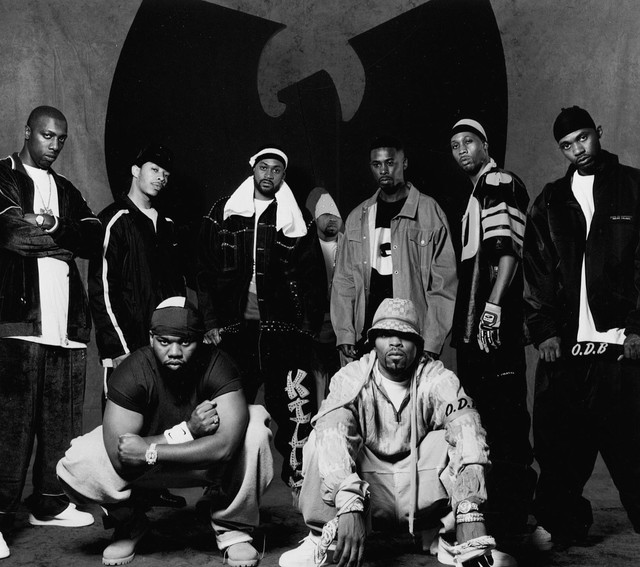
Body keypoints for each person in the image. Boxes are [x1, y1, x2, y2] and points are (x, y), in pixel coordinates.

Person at [279, 298, 518, 567]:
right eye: (385, 334)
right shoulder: (351, 377)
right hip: (369, 494)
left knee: (462, 432)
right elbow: (333, 431)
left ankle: (450, 536)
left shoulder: (437, 377)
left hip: (420, 493)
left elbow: (468, 428)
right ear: (373, 341)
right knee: (321, 436)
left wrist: (469, 509)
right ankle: (328, 538)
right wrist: (348, 503)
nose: (395, 342)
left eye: (404, 335)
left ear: (418, 343)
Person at [57, 297, 273, 566]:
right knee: (78, 458)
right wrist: (187, 431)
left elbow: (226, 447)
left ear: (200, 340)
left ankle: (231, 525)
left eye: (185, 342)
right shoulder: (132, 371)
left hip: (204, 465)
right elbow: (119, 456)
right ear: (151, 338)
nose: (174, 352)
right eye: (164, 341)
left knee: (255, 427)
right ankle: (130, 523)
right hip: (149, 470)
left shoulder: (219, 365)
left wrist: (151, 450)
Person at [523, 106, 640, 545]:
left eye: (583, 138)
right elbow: (537, 268)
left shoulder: (633, 187)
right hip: (569, 346)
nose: (578, 149)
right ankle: (560, 524)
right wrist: (544, 330)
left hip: (619, 344)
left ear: (599, 132)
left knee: (632, 445)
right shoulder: (551, 199)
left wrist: (638, 327)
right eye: (567, 145)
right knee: (559, 446)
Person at [0, 105, 101, 559]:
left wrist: (51, 225)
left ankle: (49, 503)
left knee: (61, 423)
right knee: (10, 429)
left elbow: (93, 236)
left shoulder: (65, 188)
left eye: (61, 138)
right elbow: (11, 233)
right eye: (46, 135)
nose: (54, 145)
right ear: (27, 132)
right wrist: (65, 243)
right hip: (21, 322)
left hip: (68, 325)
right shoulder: (3, 175)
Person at [197, 146, 323, 490]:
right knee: (227, 407)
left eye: (276, 170)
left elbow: (313, 277)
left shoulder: (296, 216)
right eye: (264, 167)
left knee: (294, 406)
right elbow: (205, 271)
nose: (269, 175)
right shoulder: (223, 211)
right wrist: (210, 323)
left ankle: (297, 479)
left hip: (282, 329)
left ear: (283, 175)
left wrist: (307, 330)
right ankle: (219, 483)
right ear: (253, 169)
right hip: (234, 329)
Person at [449, 119, 537, 545]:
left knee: (505, 423)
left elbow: (508, 252)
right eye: (454, 146)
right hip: (474, 329)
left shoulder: (497, 181)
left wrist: (493, 307)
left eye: (469, 142)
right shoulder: (477, 192)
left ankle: (513, 522)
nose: (461, 150)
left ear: (485, 145)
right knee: (481, 420)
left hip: (490, 326)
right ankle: (490, 517)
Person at [331, 136, 457, 365]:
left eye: (390, 162)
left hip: (413, 337)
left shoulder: (430, 212)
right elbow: (344, 281)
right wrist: (345, 333)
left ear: (404, 163)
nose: (383, 170)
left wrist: (432, 341)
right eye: (376, 164)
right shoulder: (358, 217)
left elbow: (444, 284)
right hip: (365, 337)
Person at [89, 143, 186, 401]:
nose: (160, 178)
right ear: (135, 170)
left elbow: (177, 289)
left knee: (165, 415)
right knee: (124, 417)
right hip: (128, 347)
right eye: (154, 169)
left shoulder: (167, 225)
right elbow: (102, 289)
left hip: (165, 348)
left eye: (165, 174)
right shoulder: (114, 219)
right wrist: (118, 347)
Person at [305, 187, 344, 396]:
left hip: (342, 324)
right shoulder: (305, 247)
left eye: (336, 214)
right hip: (315, 325)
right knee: (316, 378)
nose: (332, 219)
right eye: (326, 214)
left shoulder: (350, 245)